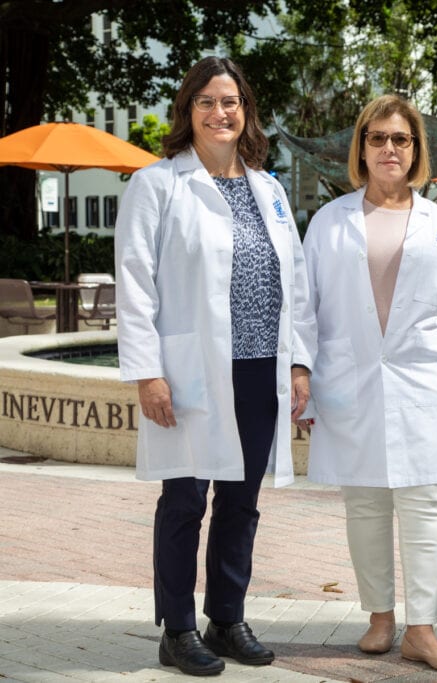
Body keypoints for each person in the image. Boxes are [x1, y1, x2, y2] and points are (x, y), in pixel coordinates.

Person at [115, 56, 316, 676]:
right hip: (192, 369)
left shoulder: (269, 189)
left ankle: (226, 619)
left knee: (241, 500)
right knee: (184, 499)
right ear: (188, 110)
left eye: (230, 102)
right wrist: (148, 371)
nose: (219, 112)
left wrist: (299, 363)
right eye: (206, 101)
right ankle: (177, 630)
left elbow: (296, 283)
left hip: (258, 368)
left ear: (245, 111)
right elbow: (134, 283)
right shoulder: (157, 184)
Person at [298, 94, 437, 674]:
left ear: (415, 149)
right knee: (365, 502)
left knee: (426, 502)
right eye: (376, 137)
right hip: (348, 379)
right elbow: (303, 308)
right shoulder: (329, 222)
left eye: (400, 139)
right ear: (361, 148)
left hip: (425, 381)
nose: (388, 148)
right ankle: (380, 619)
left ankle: (421, 631)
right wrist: (301, 371)